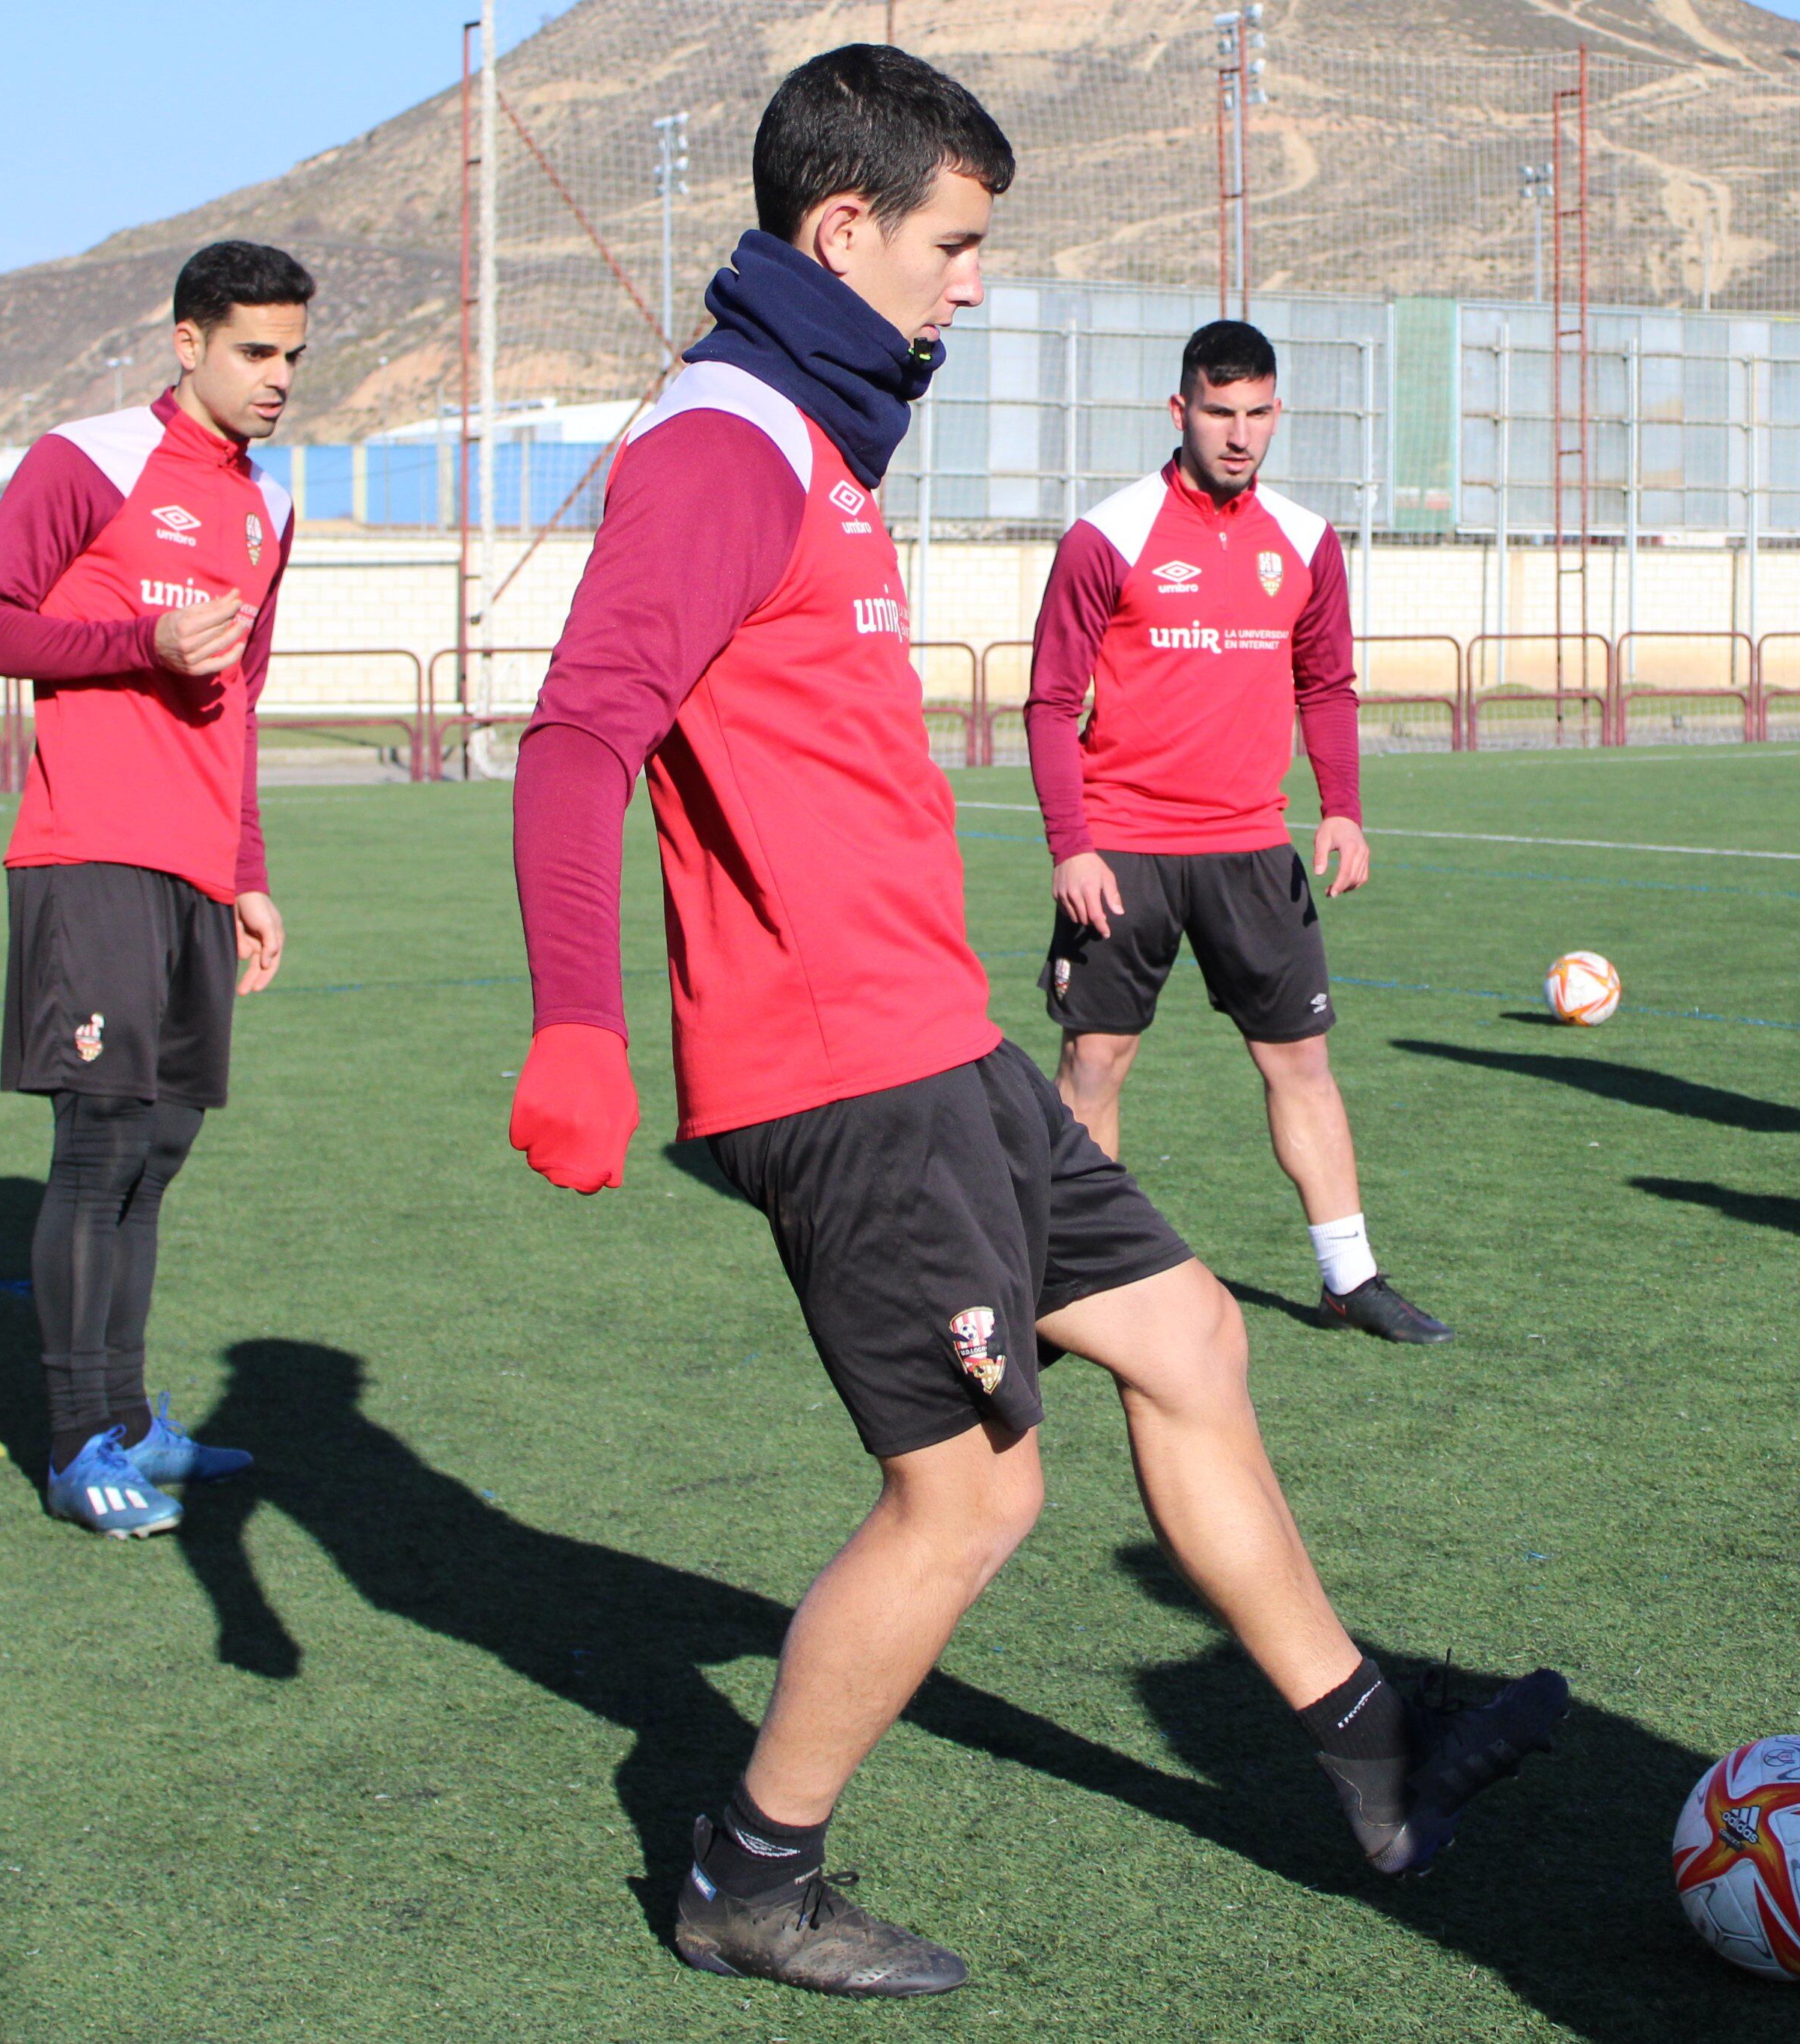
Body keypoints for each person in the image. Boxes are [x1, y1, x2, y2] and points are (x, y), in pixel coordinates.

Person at [506, 45, 1563, 2001]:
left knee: (1191, 1332)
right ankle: (748, 1874)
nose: (974, 286)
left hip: (939, 1042)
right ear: (845, 229)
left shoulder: (812, 443)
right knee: (975, 1490)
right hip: (839, 1071)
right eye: (955, 243)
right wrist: (582, 1025)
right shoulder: (726, 441)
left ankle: (1371, 1752)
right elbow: (579, 736)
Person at [0, 240, 310, 1533]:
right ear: (188, 341)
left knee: (157, 1155)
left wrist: (249, 872)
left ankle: (130, 1419)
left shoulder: (270, 504)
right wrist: (135, 642)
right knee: (97, 1147)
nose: (278, 379)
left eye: (293, 356)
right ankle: (71, 1445)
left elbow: (241, 707)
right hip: (88, 853)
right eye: (255, 352)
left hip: (197, 872)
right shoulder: (87, 460)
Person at [1025, 320, 1448, 1343]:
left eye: (1258, 412)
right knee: (1097, 1060)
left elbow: (1327, 684)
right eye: (1220, 412)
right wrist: (1069, 843)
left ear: (1276, 413)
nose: (1240, 433)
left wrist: (1340, 805)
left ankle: (1349, 1276)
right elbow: (1048, 702)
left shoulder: (1304, 542)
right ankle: (1068, 1280)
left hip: (1255, 849)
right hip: (1122, 845)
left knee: (1300, 1060)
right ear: (1181, 411)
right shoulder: (1108, 534)